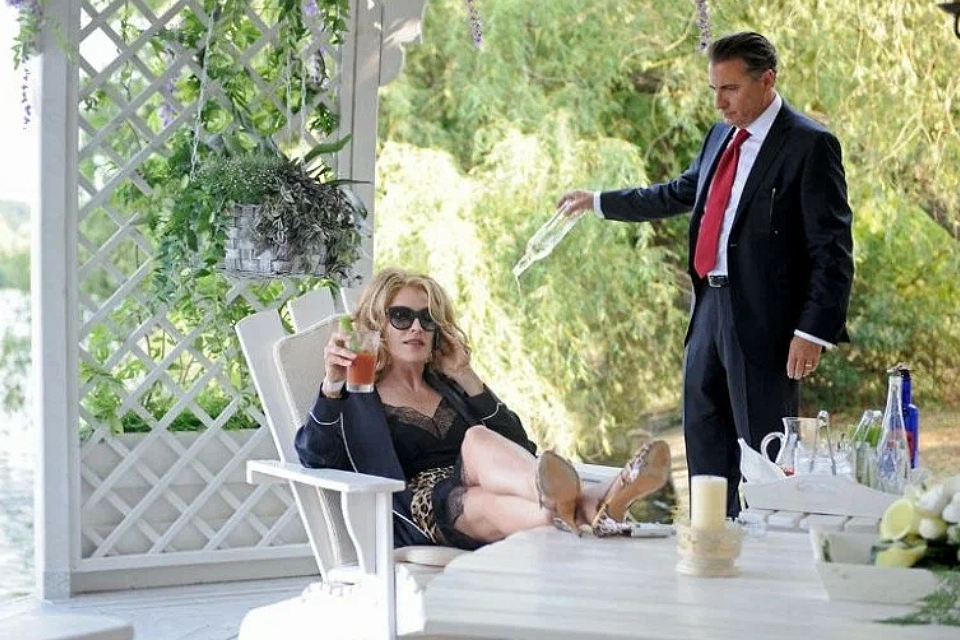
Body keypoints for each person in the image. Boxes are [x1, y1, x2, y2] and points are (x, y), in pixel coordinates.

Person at [556, 32, 854, 517]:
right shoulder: (720, 136)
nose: (720, 103)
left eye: (730, 89)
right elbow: (679, 192)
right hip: (708, 310)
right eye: (715, 89)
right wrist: (600, 201)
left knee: (762, 451)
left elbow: (833, 249)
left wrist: (812, 331)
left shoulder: (810, 144)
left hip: (768, 323)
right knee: (703, 435)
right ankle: (712, 541)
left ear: (767, 80)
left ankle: (766, 547)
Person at [295, 268, 673, 549]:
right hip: (421, 509)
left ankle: (578, 505)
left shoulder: (449, 387)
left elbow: (520, 448)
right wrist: (332, 384)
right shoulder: (358, 395)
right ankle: (602, 497)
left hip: (482, 490)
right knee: (480, 497)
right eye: (401, 316)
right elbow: (315, 456)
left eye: (427, 319)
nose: (416, 328)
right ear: (379, 325)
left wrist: (466, 375)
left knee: (479, 440)